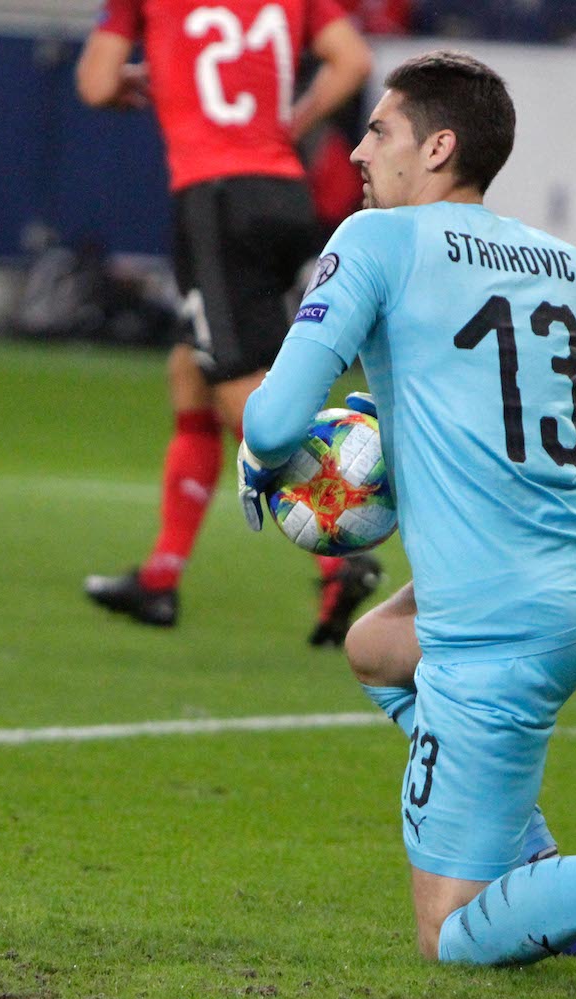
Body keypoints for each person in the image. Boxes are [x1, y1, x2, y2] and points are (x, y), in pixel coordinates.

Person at [237, 50, 576, 987]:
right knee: (373, 647)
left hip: (498, 627)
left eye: (380, 130)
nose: (358, 150)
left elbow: (276, 420)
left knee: (449, 934)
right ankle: (542, 883)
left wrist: (258, 460)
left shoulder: (376, 240)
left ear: (438, 147)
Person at [75, 0, 385, 646]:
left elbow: (97, 83)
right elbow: (353, 60)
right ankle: (161, 579)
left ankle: (341, 554)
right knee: (191, 369)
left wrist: (131, 78)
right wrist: (293, 122)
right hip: (284, 194)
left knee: (241, 385)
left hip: (215, 199)